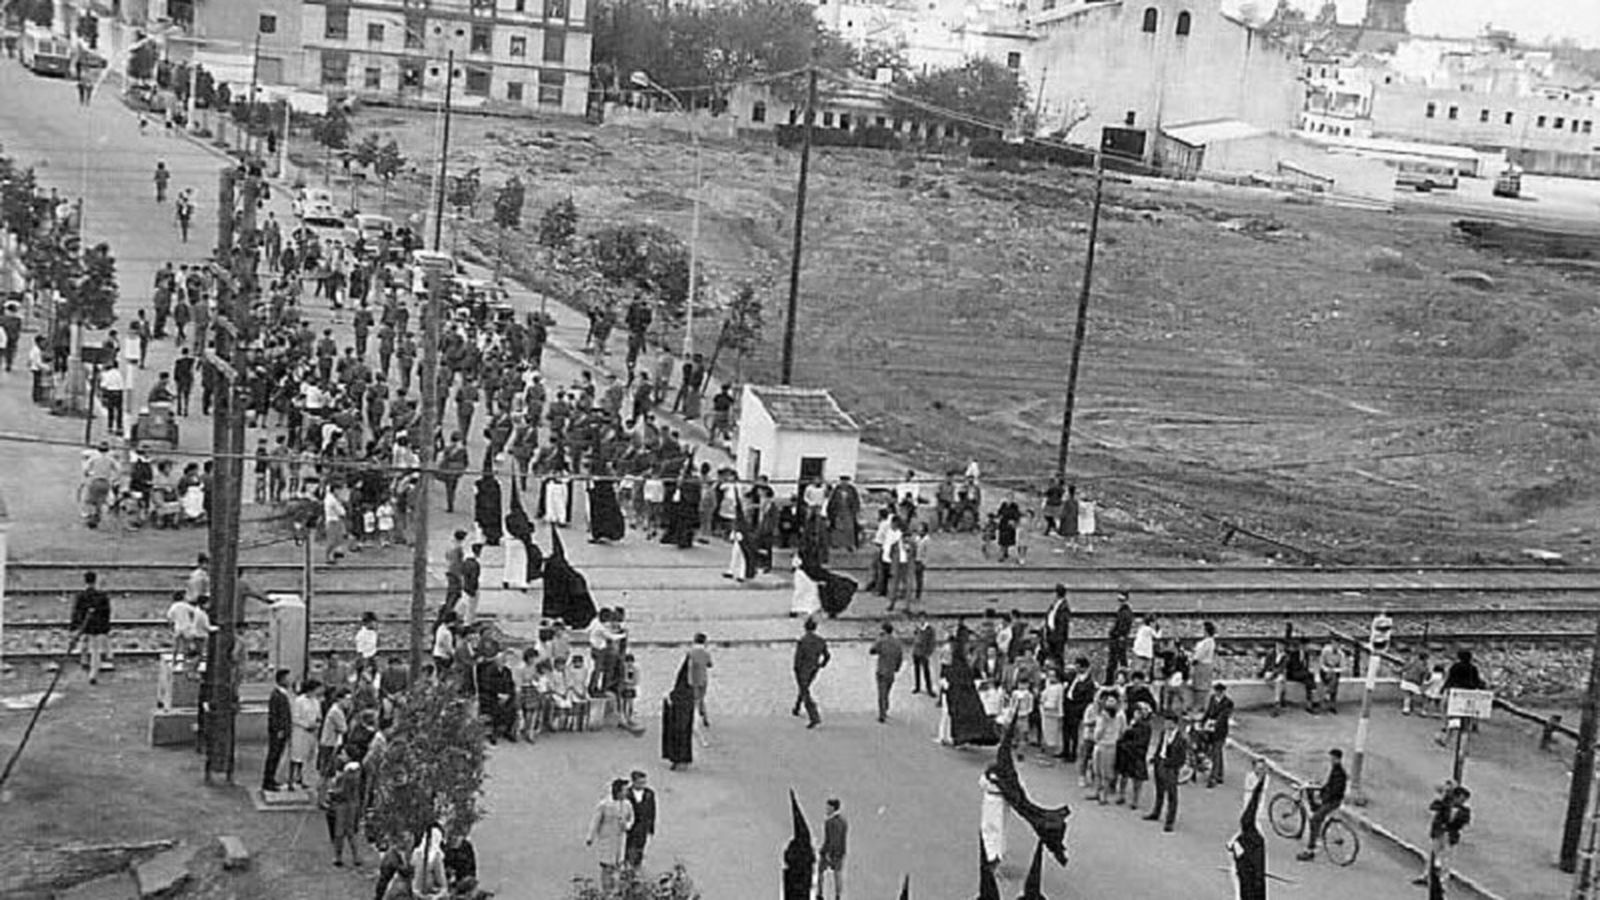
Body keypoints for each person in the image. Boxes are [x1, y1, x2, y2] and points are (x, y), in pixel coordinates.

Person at [1414, 782, 1472, 886]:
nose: (1462, 801)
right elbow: (1433, 806)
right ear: (1456, 797)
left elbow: (1464, 822)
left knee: (1447, 859)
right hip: (1439, 832)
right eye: (1461, 798)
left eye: (1464, 799)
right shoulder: (1446, 803)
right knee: (1432, 854)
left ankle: (1442, 880)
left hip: (1450, 835)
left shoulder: (1465, 811)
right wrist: (1443, 796)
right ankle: (1427, 876)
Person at [1296, 748, 1348, 861]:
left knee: (1314, 820)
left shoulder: (1339, 773)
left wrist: (1323, 797)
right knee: (1316, 809)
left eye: (1332, 758)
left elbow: (1335, 790)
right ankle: (1321, 835)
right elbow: (1329, 785)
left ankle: (1310, 851)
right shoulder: (1336, 770)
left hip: (1332, 802)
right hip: (1332, 800)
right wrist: (1320, 789)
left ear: (1337, 759)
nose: (1331, 760)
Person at [585, 778, 635, 893]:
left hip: (621, 838)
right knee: (607, 865)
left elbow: (632, 818)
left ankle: (615, 889)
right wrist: (590, 837)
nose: (626, 793)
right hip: (607, 838)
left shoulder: (627, 804)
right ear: (617, 791)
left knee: (618, 865)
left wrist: (627, 825)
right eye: (624, 790)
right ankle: (606, 890)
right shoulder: (605, 804)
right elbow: (595, 821)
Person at [1144, 711, 1188, 832]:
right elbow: (1160, 746)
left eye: (1168, 722)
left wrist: (1172, 765)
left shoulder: (1181, 738)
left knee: (1172, 794)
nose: (1165, 724)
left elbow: (1181, 757)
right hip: (1160, 762)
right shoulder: (1164, 733)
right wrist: (1155, 758)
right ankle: (1156, 812)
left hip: (1171, 767)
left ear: (1174, 723)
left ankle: (1170, 821)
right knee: (1159, 790)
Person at [70, 571, 112, 684]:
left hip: (85, 625)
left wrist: (74, 626)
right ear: (95, 581)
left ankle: (84, 661)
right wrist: (105, 628)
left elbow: (76, 613)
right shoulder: (102, 596)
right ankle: (93, 674)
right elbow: (107, 613)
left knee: (84, 642)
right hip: (97, 627)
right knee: (95, 650)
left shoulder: (80, 596)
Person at [792, 618, 831, 728]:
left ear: (805, 628)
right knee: (805, 687)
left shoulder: (803, 641)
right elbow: (827, 656)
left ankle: (814, 716)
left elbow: (798, 658)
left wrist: (796, 669)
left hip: (803, 669)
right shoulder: (820, 640)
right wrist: (822, 664)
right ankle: (797, 707)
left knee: (805, 691)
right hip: (814, 668)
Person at [327, 756, 364, 866]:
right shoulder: (355, 775)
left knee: (339, 832)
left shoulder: (344, 777)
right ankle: (356, 856)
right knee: (351, 832)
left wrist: (332, 793)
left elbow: (342, 791)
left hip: (342, 805)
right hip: (353, 805)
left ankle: (338, 857)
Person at [662, 657, 697, 769]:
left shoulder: (684, 687)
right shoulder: (687, 688)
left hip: (680, 711)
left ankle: (680, 759)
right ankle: (681, 759)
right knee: (681, 733)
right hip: (681, 710)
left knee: (680, 733)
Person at [1199, 681, 1234, 788]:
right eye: (1216, 691)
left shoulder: (1228, 702)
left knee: (1216, 752)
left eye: (1219, 691)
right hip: (1210, 729)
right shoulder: (1212, 699)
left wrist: (1214, 724)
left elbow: (1223, 717)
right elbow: (1208, 712)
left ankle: (1213, 777)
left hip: (1220, 730)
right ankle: (1220, 774)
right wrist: (1202, 721)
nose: (1217, 693)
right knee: (1217, 753)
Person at [289, 680, 322, 790]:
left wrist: (317, 723)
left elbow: (318, 715)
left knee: (309, 757)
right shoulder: (299, 701)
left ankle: (304, 779)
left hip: (312, 733)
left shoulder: (316, 701)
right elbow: (295, 717)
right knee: (297, 756)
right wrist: (306, 725)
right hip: (300, 732)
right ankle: (291, 780)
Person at [264, 668, 293, 793]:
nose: (289, 680)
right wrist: (278, 730)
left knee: (277, 755)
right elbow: (274, 715)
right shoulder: (276, 695)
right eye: (287, 678)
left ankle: (272, 778)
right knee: (273, 755)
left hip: (283, 730)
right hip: (278, 732)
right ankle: (268, 780)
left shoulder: (285, 694)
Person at [869, 621, 904, 723]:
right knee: (887, 691)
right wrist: (897, 668)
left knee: (881, 693)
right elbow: (900, 657)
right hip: (891, 671)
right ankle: (886, 707)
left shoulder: (881, 641)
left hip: (881, 670)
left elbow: (872, 651)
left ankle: (882, 714)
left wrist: (878, 639)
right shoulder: (897, 643)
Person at [624, 770, 657, 867]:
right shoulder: (627, 794)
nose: (642, 785)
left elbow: (652, 810)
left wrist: (651, 827)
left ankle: (637, 865)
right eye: (640, 783)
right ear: (633, 782)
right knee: (629, 848)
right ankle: (628, 866)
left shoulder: (649, 794)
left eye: (644, 782)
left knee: (640, 848)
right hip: (631, 827)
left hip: (643, 827)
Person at [817, 797, 848, 900]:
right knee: (838, 874)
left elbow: (830, 839)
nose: (826, 810)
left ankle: (820, 893)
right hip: (841, 852)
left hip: (830, 852)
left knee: (820, 871)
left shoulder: (829, 823)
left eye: (828, 808)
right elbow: (842, 839)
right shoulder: (843, 822)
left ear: (833, 808)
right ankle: (838, 895)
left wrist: (826, 852)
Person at [685, 633, 714, 728]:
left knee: (694, 700)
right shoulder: (706, 653)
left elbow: (686, 666)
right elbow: (710, 665)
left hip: (693, 679)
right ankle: (705, 718)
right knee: (701, 698)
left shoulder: (690, 652)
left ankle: (694, 718)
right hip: (703, 678)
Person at [910, 613, 937, 696]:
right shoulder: (918, 628)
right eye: (920, 619)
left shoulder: (930, 629)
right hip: (916, 652)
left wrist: (928, 653)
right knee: (916, 670)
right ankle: (917, 686)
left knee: (926, 671)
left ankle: (929, 689)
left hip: (924, 653)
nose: (921, 620)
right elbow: (915, 638)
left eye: (922, 618)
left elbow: (932, 642)